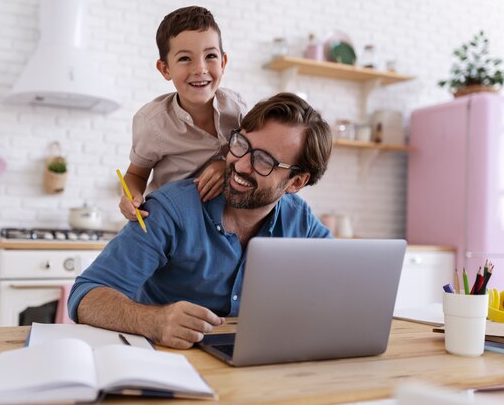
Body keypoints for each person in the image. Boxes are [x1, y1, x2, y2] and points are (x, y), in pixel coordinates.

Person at [70, 93, 333, 349]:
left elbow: (340, 283)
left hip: (253, 361)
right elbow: (85, 296)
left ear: (297, 182)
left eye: (264, 161)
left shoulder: (299, 220)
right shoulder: (171, 210)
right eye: (241, 145)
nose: (241, 166)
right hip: (165, 360)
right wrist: (155, 321)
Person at [119, 5, 247, 221]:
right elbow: (135, 174)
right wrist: (132, 197)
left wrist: (225, 164)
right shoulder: (152, 122)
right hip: (171, 219)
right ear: (165, 69)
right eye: (185, 59)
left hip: (220, 220)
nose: (200, 69)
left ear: (223, 62)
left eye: (210, 56)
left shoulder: (236, 108)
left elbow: (250, 154)